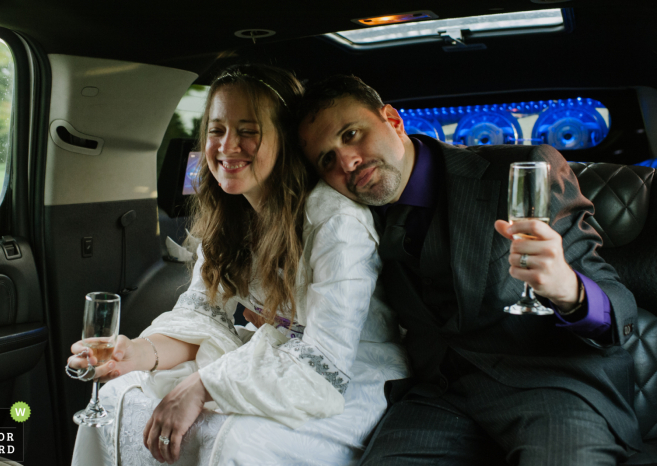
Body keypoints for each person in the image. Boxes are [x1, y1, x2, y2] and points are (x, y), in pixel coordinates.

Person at [68, 64, 408, 466]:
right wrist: (135, 353)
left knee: (238, 444)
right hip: (269, 359)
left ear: (285, 139)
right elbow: (201, 320)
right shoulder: (226, 215)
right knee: (117, 395)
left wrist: (201, 386)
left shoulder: (335, 220)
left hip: (349, 377)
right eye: (216, 130)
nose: (228, 146)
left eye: (248, 131)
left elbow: (326, 367)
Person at [297, 75, 642, 466]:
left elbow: (620, 311)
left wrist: (568, 289)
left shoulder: (519, 170)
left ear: (392, 120)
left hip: (552, 386)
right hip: (437, 399)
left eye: (352, 134)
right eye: (327, 159)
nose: (347, 160)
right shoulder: (347, 222)